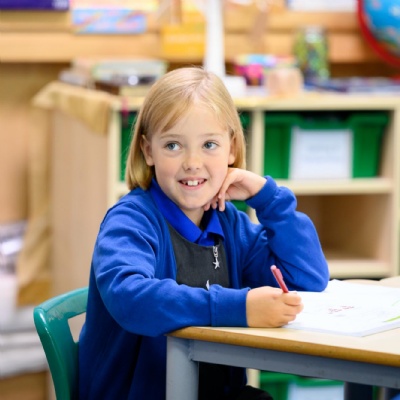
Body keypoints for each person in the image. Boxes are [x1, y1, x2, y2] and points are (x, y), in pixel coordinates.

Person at [78, 67, 329, 400]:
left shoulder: (228, 223)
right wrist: (239, 308)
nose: (193, 162)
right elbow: (130, 298)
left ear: (232, 148)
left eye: (209, 144)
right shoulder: (131, 220)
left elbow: (307, 279)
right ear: (148, 151)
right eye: (173, 145)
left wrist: (268, 198)